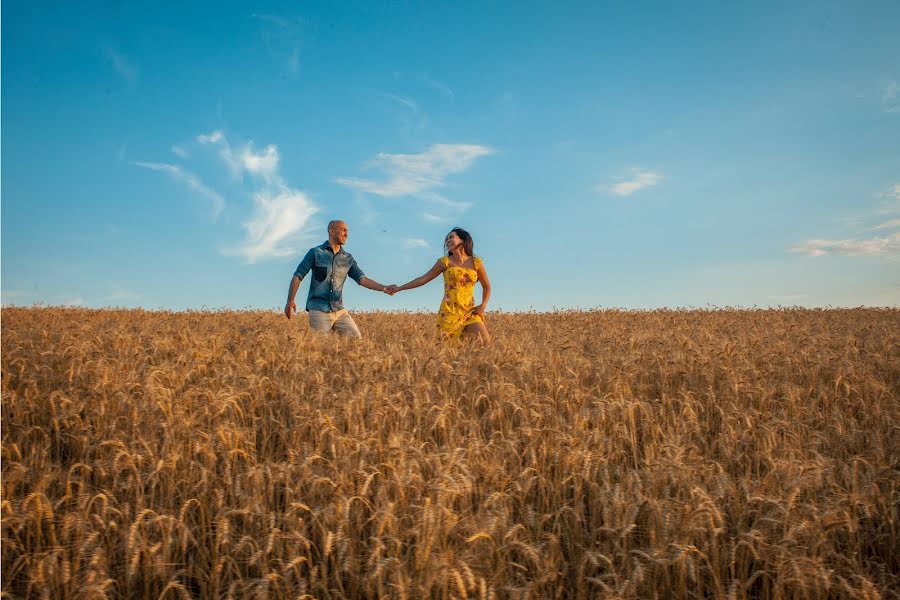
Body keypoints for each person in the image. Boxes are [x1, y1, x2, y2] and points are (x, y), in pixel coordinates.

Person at [285, 220, 391, 338]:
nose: (346, 234)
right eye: (343, 230)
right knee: (321, 349)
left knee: (357, 342)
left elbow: (363, 280)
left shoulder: (348, 258)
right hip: (318, 310)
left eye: (347, 231)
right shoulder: (315, 253)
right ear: (332, 231)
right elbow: (298, 276)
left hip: (339, 311)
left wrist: (384, 288)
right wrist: (290, 300)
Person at [388, 227, 492, 344]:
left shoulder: (476, 262)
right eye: (446, 238)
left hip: (469, 311)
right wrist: (399, 288)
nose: (448, 240)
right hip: (449, 314)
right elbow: (423, 279)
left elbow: (486, 286)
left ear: (462, 240)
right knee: (447, 352)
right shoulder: (445, 262)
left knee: (486, 342)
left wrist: (483, 305)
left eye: (451, 237)